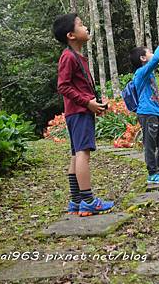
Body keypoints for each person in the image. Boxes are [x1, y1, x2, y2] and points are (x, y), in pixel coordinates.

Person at [53, 13, 114, 216]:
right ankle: (88, 200)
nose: (86, 27)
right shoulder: (68, 57)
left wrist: (95, 104)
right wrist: (87, 103)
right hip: (79, 112)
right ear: (71, 35)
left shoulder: (76, 57)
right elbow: (63, 86)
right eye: (81, 25)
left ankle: (76, 200)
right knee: (82, 154)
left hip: (78, 111)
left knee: (75, 154)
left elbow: (79, 86)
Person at [129, 35, 159, 184]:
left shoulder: (148, 74)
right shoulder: (141, 73)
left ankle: (158, 169)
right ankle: (152, 173)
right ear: (143, 58)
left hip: (155, 112)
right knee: (150, 144)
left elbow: (152, 95)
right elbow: (155, 60)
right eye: (149, 52)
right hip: (146, 114)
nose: (151, 54)